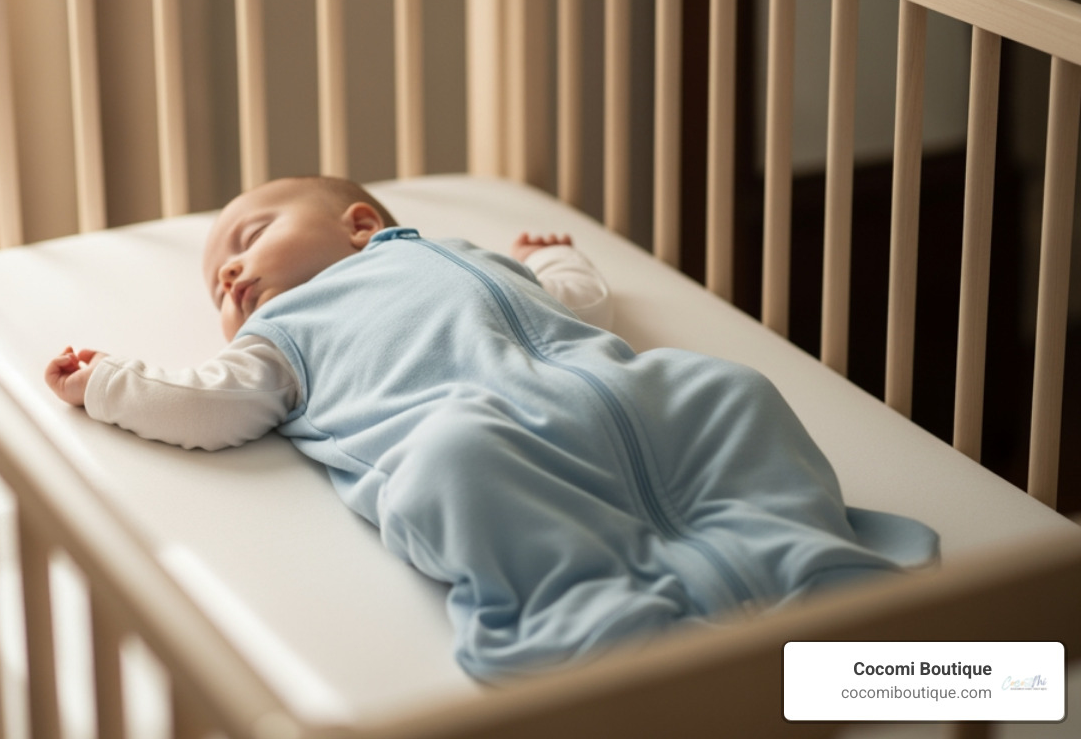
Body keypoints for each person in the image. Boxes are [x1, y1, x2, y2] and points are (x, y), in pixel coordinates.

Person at [46, 176, 938, 679]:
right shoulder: (283, 337)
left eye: (249, 234)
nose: (229, 271)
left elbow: (578, 304)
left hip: (615, 391)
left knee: (729, 393)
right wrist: (112, 383)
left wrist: (553, 260)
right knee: (451, 463)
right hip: (477, 435)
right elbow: (211, 404)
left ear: (359, 226)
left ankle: (802, 562)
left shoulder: (456, 255)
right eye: (215, 283)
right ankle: (604, 628)